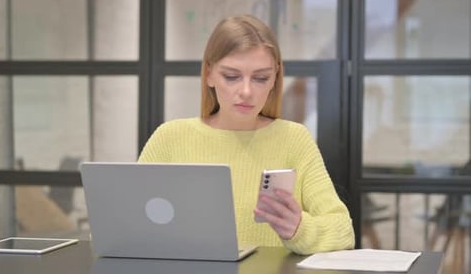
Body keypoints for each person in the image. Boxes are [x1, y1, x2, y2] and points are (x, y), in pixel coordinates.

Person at [138, 14, 354, 255]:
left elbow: (343, 230)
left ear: (275, 78)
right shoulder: (170, 138)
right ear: (209, 74)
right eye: (231, 77)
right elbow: (123, 226)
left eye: (261, 78)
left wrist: (299, 229)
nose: (247, 91)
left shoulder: (294, 139)